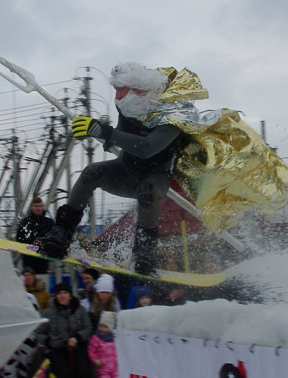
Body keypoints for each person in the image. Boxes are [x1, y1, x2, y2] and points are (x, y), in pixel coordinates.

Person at [39, 64, 192, 275]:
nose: (117, 96)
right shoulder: (127, 105)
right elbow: (123, 132)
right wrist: (107, 137)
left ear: (139, 91)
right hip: (124, 169)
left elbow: (147, 148)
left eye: (121, 90)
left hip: (155, 176)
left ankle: (144, 252)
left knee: (146, 193)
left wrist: (105, 132)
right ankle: (62, 233)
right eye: (116, 89)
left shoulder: (175, 115)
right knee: (90, 173)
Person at [37, 282, 97, 378]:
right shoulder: (48, 312)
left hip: (77, 347)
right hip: (57, 349)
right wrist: (50, 341)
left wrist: (77, 337)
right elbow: (39, 333)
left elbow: (88, 327)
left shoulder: (80, 310)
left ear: (70, 295)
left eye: (65, 293)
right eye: (59, 293)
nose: (62, 296)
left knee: (84, 371)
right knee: (63, 374)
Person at [88, 311, 118, 378]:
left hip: (115, 368)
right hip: (103, 368)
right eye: (101, 326)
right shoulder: (96, 338)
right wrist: (95, 360)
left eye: (105, 326)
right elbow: (91, 350)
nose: (103, 329)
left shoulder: (115, 338)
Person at [15, 197, 54, 275]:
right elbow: (19, 239)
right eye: (36, 206)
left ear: (43, 207)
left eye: (40, 206)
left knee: (41, 281)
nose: (38, 208)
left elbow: (54, 237)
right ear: (32, 207)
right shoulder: (25, 222)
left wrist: (45, 242)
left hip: (43, 258)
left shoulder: (49, 222)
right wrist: (33, 241)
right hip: (28, 258)